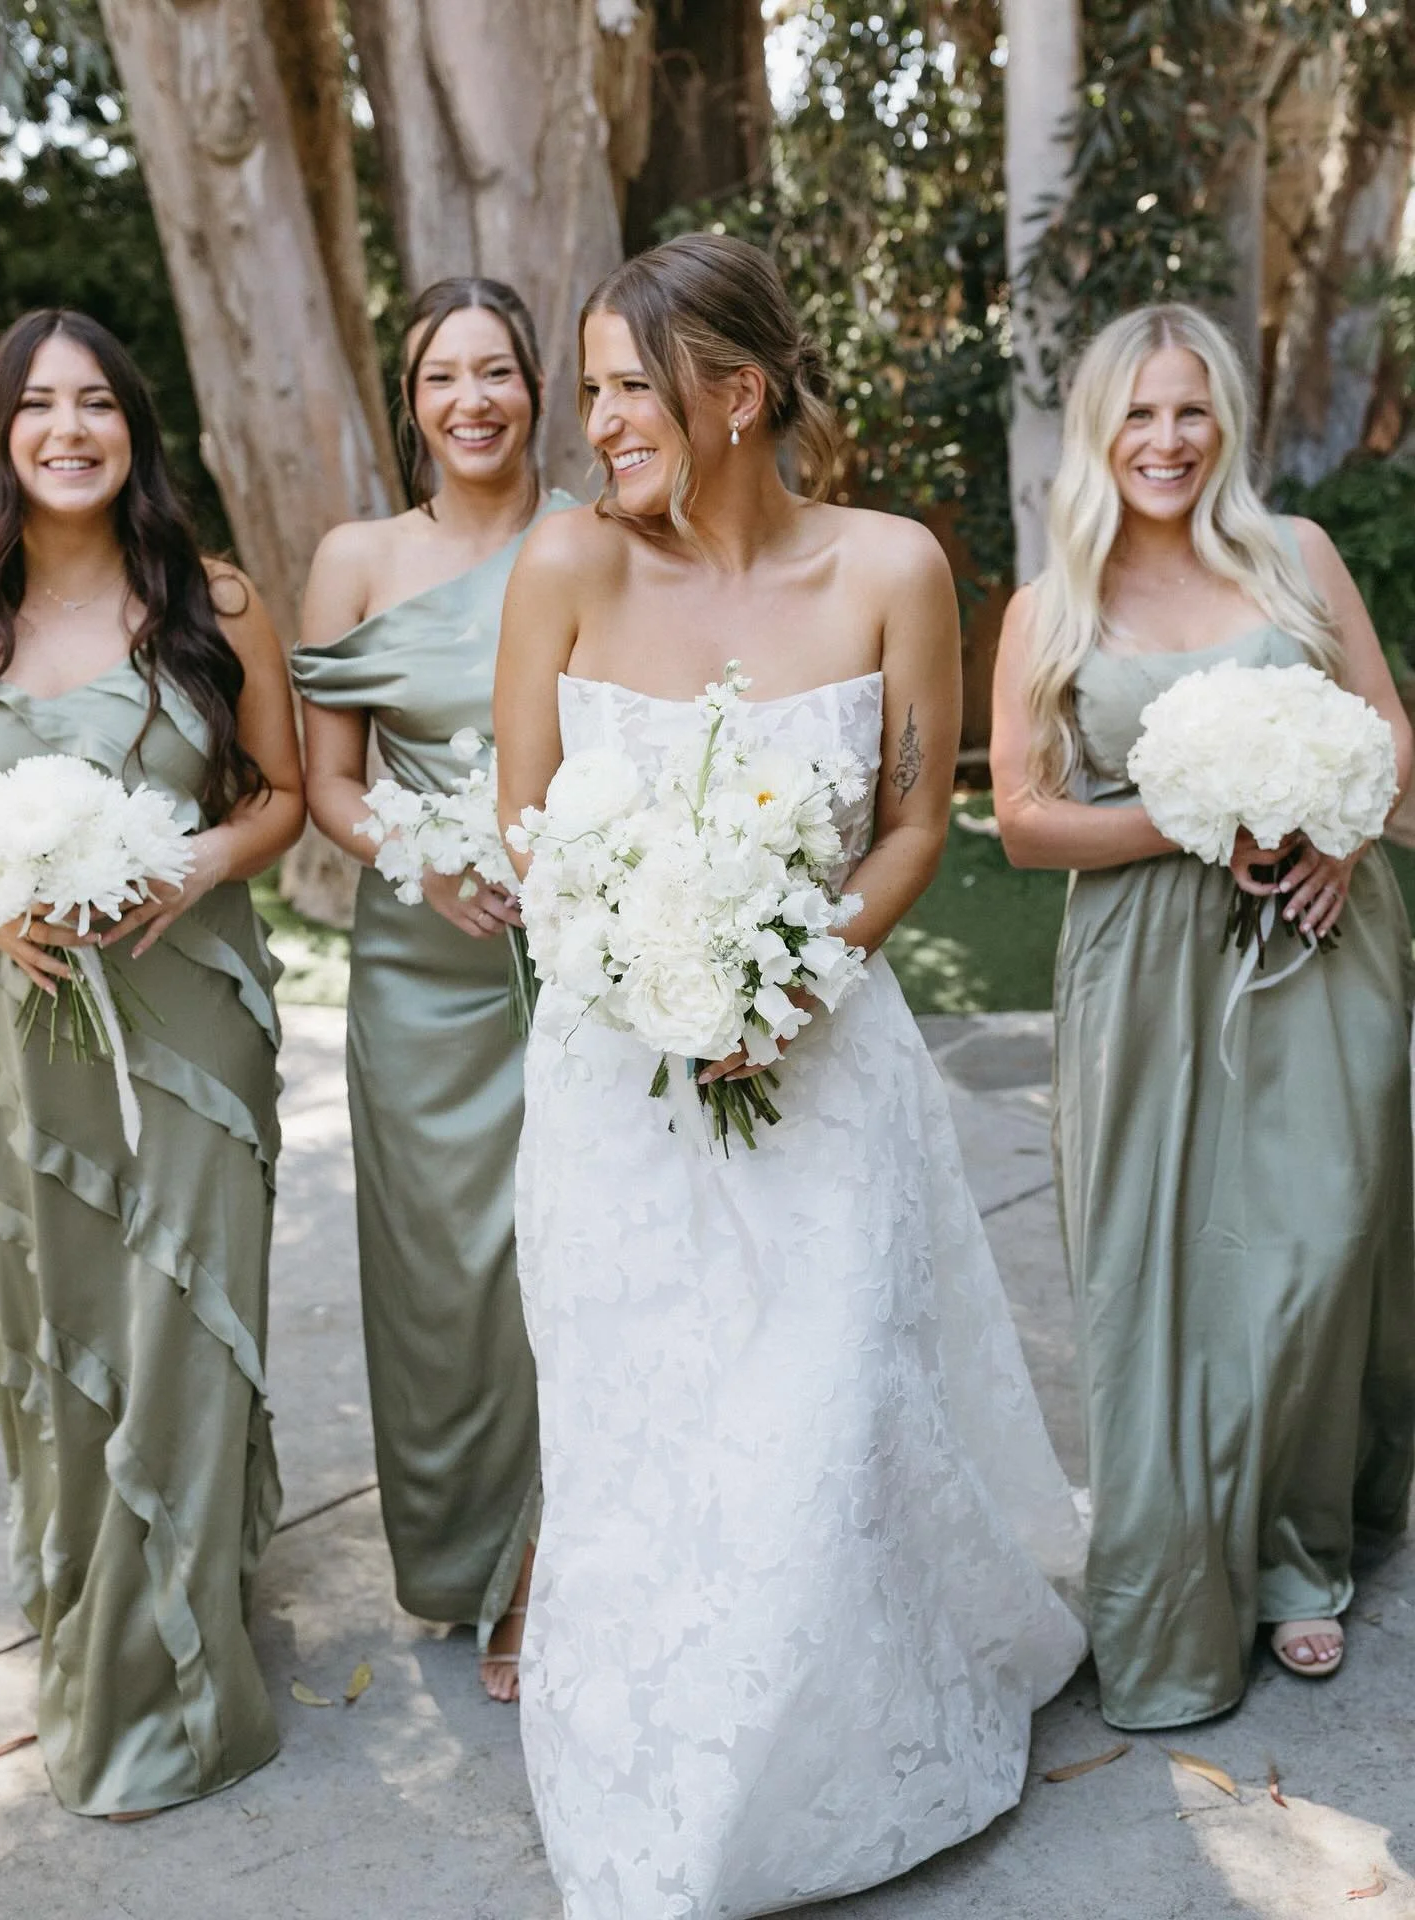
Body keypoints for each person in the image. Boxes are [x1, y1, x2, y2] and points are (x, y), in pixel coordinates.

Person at [495, 233, 1087, 1920]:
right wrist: (654, 972)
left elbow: (914, 823)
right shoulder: (565, 571)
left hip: (827, 1078)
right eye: (593, 385)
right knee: (645, 1425)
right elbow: (534, 831)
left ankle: (814, 1753)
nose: (595, 420)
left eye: (626, 385)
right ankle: (669, 1780)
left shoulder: (889, 569)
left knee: (819, 1422)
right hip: (615, 1086)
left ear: (735, 394)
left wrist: (793, 972)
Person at [990, 302, 1415, 1731]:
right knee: (1160, 1272)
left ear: (1224, 422)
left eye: (1192, 412)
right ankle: (1179, 1583)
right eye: (1139, 414)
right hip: (1146, 971)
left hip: (1321, 941)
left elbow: (1387, 718)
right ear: (1097, 432)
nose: (1166, 441)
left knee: (1316, 1256)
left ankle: (1299, 1555)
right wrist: (1186, 822)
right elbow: (1027, 822)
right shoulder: (1049, 608)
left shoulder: (1297, 558)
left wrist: (1351, 825)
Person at [0, 310, 303, 1815]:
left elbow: (285, 796)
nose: (67, 428)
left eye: (95, 402)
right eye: (38, 405)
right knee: (66, 1320)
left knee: (186, 1315)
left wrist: (189, 869)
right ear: (2, 433)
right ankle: (99, 1606)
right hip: (24, 1040)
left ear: (133, 430)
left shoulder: (213, 597)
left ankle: (166, 1673)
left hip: (192, 1018)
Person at [294, 278, 577, 1702]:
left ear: (537, 388)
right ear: (410, 406)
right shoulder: (354, 560)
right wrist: (426, 855)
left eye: (497, 373)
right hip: (418, 970)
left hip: (579, 962)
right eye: (440, 379)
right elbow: (329, 788)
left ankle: (554, 1571)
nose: (473, 401)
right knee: (442, 1283)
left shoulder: (594, 541)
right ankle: (463, 1559)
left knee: (570, 1268)